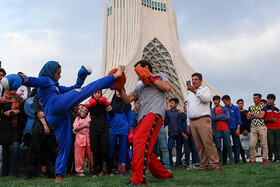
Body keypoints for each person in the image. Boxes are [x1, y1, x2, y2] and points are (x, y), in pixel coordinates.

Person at [1, 61, 125, 182]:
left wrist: (80, 78)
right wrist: (21, 78)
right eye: (58, 73)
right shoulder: (46, 80)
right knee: (87, 90)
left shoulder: (55, 86)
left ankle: (59, 176)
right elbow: (35, 81)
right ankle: (114, 77)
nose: (60, 76)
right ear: (51, 72)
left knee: (65, 145)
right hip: (55, 106)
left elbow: (74, 88)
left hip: (58, 115)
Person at [118, 60, 173, 185]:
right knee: (145, 147)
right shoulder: (140, 86)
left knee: (140, 143)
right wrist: (120, 88)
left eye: (139, 71)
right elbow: (127, 99)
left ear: (146, 67)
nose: (138, 75)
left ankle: (138, 178)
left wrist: (150, 78)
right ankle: (164, 174)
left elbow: (167, 87)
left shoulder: (159, 76)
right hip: (142, 117)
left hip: (154, 114)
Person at [186, 72, 220, 172]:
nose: (194, 81)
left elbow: (206, 100)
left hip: (203, 120)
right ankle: (203, 165)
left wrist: (195, 91)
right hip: (193, 121)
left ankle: (215, 164)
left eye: (196, 79)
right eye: (192, 79)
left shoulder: (205, 90)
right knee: (199, 145)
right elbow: (188, 109)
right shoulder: (189, 96)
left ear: (201, 81)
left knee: (208, 143)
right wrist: (188, 123)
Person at [26, 93, 57, 180]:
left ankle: (51, 174)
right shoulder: (37, 97)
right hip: (39, 126)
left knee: (52, 152)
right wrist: (45, 126)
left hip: (52, 126)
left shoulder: (54, 96)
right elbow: (39, 113)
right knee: (34, 151)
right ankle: (30, 173)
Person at [84, 90, 114, 178]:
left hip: (104, 129)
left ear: (101, 93)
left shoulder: (103, 102)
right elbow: (82, 115)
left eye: (99, 93)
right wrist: (86, 106)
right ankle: (95, 172)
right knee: (94, 151)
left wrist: (108, 104)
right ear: (92, 94)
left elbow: (112, 114)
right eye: (95, 93)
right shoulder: (90, 103)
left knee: (105, 150)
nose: (97, 95)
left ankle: (109, 171)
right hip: (94, 129)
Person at [0, 90, 25, 177]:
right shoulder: (2, 100)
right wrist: (5, 113)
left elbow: (24, 113)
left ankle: (15, 173)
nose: (12, 90)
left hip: (16, 127)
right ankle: (5, 173)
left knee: (15, 148)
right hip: (4, 127)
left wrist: (17, 112)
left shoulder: (20, 99)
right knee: (5, 150)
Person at [107, 90, 132, 175]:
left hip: (123, 129)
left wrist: (130, 129)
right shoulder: (110, 104)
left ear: (124, 92)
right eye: (117, 91)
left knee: (123, 150)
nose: (118, 92)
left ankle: (121, 169)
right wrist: (110, 125)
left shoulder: (127, 105)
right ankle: (107, 169)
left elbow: (129, 118)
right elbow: (108, 117)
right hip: (113, 128)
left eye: (120, 90)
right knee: (109, 149)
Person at [211, 95, 233, 165]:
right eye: (214, 100)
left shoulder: (224, 109)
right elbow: (212, 118)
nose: (215, 101)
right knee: (218, 147)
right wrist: (222, 116)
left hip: (225, 129)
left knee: (228, 146)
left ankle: (232, 161)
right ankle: (220, 161)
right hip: (217, 130)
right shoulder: (213, 110)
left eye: (216, 100)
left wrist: (218, 117)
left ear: (219, 100)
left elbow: (228, 117)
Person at [221, 95, 243, 164]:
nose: (224, 103)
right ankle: (224, 161)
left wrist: (238, 129)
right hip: (226, 128)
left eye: (224, 101)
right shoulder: (224, 108)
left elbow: (238, 119)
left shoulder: (235, 108)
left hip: (234, 128)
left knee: (236, 144)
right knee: (225, 145)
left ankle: (237, 161)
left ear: (228, 100)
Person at [247, 93, 268, 164]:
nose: (254, 100)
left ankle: (265, 159)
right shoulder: (251, 107)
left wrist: (252, 114)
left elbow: (262, 116)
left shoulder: (263, 107)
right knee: (251, 144)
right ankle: (251, 159)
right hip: (253, 127)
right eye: (253, 98)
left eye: (256, 98)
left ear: (259, 99)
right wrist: (257, 115)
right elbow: (248, 117)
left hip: (262, 126)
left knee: (264, 143)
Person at [180, 101, 200, 169]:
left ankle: (196, 162)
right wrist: (182, 133)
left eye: (188, 105)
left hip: (192, 133)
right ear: (184, 107)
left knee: (194, 148)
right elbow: (180, 125)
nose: (187, 106)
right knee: (186, 149)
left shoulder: (193, 115)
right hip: (185, 133)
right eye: (185, 105)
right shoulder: (182, 115)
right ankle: (187, 163)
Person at [73, 104, 91, 176]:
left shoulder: (89, 118)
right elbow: (75, 128)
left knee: (91, 154)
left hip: (88, 138)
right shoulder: (77, 119)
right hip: (80, 138)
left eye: (82, 108)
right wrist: (85, 126)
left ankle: (93, 168)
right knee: (79, 155)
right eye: (79, 109)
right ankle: (79, 170)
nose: (81, 110)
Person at [165, 98, 182, 167]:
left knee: (179, 149)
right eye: (170, 103)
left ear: (176, 104)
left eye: (172, 103)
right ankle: (170, 163)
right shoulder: (168, 112)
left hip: (179, 133)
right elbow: (166, 122)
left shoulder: (179, 112)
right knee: (169, 148)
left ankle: (178, 163)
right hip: (171, 133)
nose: (171, 104)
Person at [264, 94, 280, 162]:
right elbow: (262, 119)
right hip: (269, 128)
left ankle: (277, 158)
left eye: (271, 99)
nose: (270, 100)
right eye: (269, 99)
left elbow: (279, 118)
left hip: (278, 128)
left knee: (277, 144)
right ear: (267, 100)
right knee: (270, 144)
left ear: (274, 100)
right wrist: (269, 120)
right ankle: (270, 158)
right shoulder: (264, 108)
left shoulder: (277, 109)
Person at [236, 99, 251, 163]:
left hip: (247, 131)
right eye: (239, 103)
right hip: (240, 131)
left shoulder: (246, 112)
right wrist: (241, 130)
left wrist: (247, 130)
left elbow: (249, 121)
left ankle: (251, 159)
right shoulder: (236, 113)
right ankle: (243, 160)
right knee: (241, 147)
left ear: (243, 104)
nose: (240, 105)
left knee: (249, 146)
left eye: (241, 103)